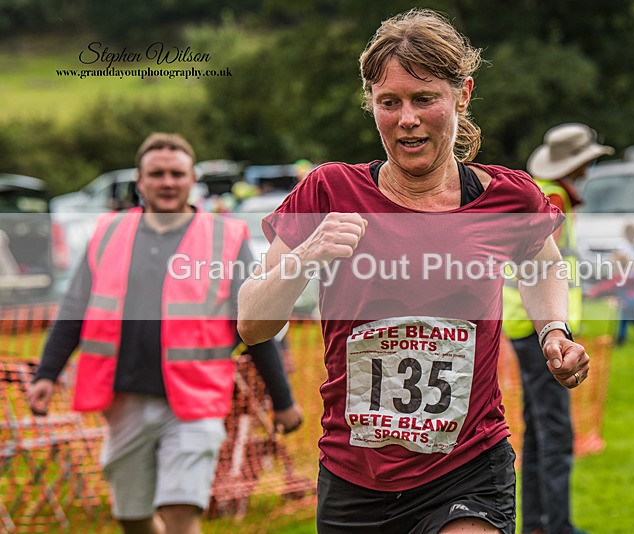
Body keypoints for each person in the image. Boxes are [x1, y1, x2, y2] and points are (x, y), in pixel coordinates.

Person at [237, 9, 588, 534]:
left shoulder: (508, 197)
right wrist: (306, 255)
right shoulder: (329, 191)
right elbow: (253, 324)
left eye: (425, 99)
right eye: (389, 102)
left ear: (462, 95)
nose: (407, 118)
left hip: (468, 466)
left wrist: (553, 332)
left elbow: (542, 264)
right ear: (371, 105)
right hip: (355, 473)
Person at [26, 132, 303, 534]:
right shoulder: (107, 233)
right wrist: (47, 374)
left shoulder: (225, 237)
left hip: (195, 401)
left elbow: (254, 323)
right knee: (132, 515)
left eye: (177, 173)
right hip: (124, 397)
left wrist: (283, 399)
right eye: (157, 174)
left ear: (193, 181)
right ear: (140, 181)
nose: (167, 182)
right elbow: (73, 309)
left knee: (180, 510)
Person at [502, 122, 611, 534]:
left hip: (526, 323)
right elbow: (541, 264)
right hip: (541, 327)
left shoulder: (544, 189)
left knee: (537, 430)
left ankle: (535, 523)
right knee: (555, 432)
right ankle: (558, 526)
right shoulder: (553, 197)